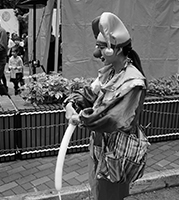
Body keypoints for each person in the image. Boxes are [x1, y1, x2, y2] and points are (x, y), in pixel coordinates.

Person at [63, 12, 149, 200]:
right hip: (99, 147)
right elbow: (88, 94)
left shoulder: (134, 82)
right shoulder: (108, 73)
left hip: (117, 152)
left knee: (110, 195)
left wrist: (81, 118)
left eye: (101, 47)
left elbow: (113, 118)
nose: (97, 53)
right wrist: (70, 103)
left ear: (115, 49)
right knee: (97, 190)